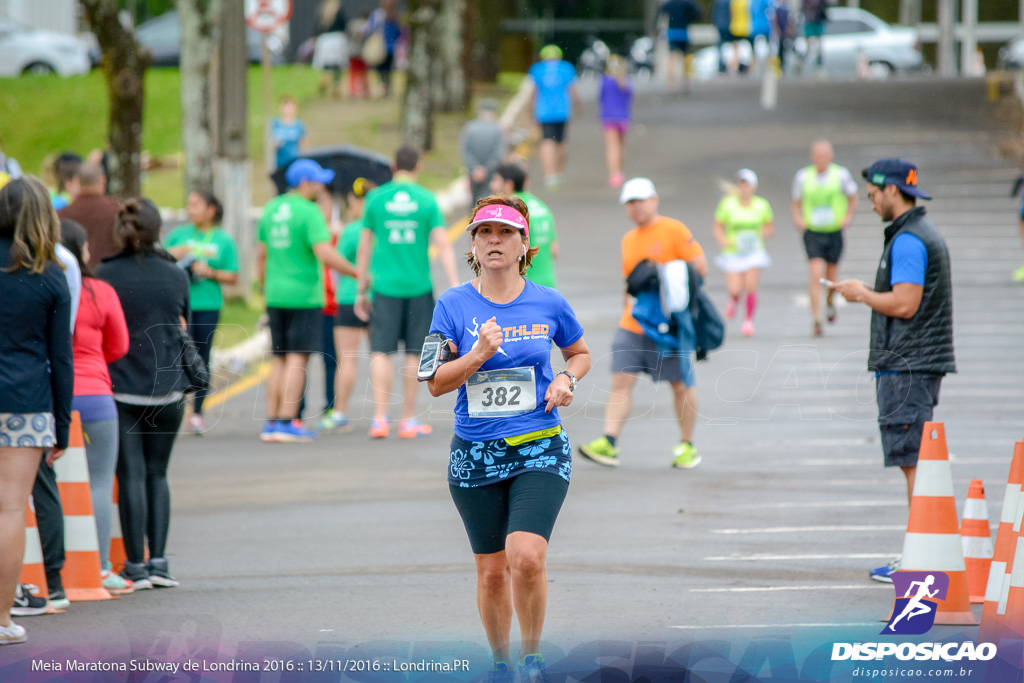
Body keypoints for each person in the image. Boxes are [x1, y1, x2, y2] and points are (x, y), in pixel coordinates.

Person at [427, 194, 591, 682]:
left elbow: (579, 352)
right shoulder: (453, 304)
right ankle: (501, 663)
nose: (493, 241)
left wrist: (566, 380)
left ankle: (533, 656)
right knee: (491, 570)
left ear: (524, 246)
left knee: (526, 555)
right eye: (483, 234)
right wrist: (476, 355)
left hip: (539, 444)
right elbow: (436, 383)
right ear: (473, 246)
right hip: (474, 454)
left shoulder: (548, 301)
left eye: (504, 234)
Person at [829, 159, 955, 583]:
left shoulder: (908, 240)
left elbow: (904, 304)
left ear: (893, 191)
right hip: (915, 360)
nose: (870, 204)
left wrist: (862, 292)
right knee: (914, 459)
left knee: (913, 460)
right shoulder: (916, 234)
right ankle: (923, 554)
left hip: (909, 364)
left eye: (872, 196)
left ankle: (922, 559)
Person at [579, 177, 707, 469]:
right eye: (630, 203)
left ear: (654, 200)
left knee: (679, 384)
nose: (635, 208)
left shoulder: (674, 230)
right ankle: (609, 442)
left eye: (640, 201)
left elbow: (700, 268)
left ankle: (687, 445)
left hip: (668, 326)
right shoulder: (629, 240)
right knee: (621, 380)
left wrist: (664, 275)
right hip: (633, 323)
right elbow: (629, 283)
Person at [97, 198, 190, 590]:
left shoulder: (104, 275)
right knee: (158, 473)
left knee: (129, 474)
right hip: (168, 388)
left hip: (121, 388)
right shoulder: (175, 275)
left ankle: (134, 565)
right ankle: (161, 564)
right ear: (158, 230)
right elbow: (182, 321)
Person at [0, 176, 74, 644]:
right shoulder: (50, 276)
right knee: (10, 509)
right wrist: (61, 427)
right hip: (27, 401)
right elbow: (61, 357)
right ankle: (2, 617)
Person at [355, 146, 458, 438]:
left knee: (380, 352)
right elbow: (443, 243)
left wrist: (361, 285)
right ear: (418, 167)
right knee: (415, 352)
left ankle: (379, 419)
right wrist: (452, 284)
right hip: (418, 286)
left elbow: (364, 246)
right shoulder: (427, 200)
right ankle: (408, 419)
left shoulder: (375, 199)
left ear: (392, 165)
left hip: (384, 287)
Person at [257, 159, 358, 443]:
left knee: (278, 359)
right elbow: (324, 252)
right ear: (304, 183)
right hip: (303, 296)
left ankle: (271, 422)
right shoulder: (309, 212)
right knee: (297, 358)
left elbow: (261, 255)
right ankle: (288, 421)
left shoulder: (271, 209)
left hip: (275, 294)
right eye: (317, 181)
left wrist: (263, 285)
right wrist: (353, 271)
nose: (321, 186)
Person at [59, 219, 133, 595]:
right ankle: (101, 568)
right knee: (100, 482)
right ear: (82, 250)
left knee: (50, 485)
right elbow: (120, 345)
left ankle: (53, 570)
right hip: (96, 394)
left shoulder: (47, 285)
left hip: (55, 393)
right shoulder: (99, 291)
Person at [165, 191, 239, 434]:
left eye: (196, 205)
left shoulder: (223, 240)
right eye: (189, 204)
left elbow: (233, 275)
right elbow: (161, 261)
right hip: (179, 307)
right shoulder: (178, 236)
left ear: (211, 210)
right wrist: (177, 254)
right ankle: (174, 407)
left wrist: (210, 273)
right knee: (176, 356)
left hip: (208, 306)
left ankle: (197, 413)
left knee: (201, 358)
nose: (191, 209)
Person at [323, 178, 377, 431]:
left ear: (358, 201)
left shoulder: (352, 230)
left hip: (348, 296)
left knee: (347, 359)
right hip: (379, 297)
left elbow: (337, 262)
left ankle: (340, 412)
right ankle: (381, 413)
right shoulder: (382, 231)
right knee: (380, 356)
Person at [791, 139, 858, 336]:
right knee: (815, 274)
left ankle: (830, 302)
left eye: (824, 155)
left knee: (831, 275)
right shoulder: (803, 176)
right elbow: (796, 202)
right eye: (817, 155)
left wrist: (847, 216)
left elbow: (853, 196)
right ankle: (816, 319)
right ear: (813, 157)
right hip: (813, 232)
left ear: (830, 156)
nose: (821, 159)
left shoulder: (841, 175)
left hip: (834, 231)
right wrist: (798, 218)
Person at [713, 168, 773, 337]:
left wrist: (763, 233)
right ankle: (733, 300)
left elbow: (769, 226)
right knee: (735, 288)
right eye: (741, 184)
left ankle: (748, 320)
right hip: (733, 251)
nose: (743, 188)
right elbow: (718, 225)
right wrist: (723, 240)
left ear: (753, 187)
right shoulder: (728, 204)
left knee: (750, 285)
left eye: (746, 184)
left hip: (754, 251)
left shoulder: (761, 205)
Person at [490, 162, 559, 289]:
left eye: (496, 180)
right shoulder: (542, 207)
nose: (492, 185)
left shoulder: (510, 211)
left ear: (509, 185)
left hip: (524, 288)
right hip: (548, 285)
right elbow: (554, 250)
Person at [528, 45, 582, 190]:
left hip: (543, 112)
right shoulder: (566, 68)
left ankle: (549, 175)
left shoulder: (537, 69)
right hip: (562, 111)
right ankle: (559, 172)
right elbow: (573, 89)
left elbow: (533, 92)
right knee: (561, 142)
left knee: (546, 142)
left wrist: (530, 110)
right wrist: (578, 105)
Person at [57, 162, 121, 265]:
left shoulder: (61, 215)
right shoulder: (118, 211)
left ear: (77, 182)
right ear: (103, 181)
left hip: (78, 277)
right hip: (110, 276)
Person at [459, 98, 506, 205]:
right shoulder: (498, 129)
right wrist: (486, 169)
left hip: (472, 172)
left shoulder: (469, 127)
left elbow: (465, 149)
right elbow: (498, 153)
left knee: (473, 200)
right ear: (494, 112)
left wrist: (474, 168)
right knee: (488, 200)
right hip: (490, 173)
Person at [599, 55, 633, 189]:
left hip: (609, 117)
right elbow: (630, 98)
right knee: (621, 145)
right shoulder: (626, 81)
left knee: (612, 146)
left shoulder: (605, 80)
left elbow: (600, 98)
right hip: (623, 118)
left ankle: (614, 173)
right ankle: (620, 171)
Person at [657, 0, 701, 91]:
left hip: (672, 32)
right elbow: (697, 14)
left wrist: (656, 28)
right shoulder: (687, 3)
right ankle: (686, 80)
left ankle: (671, 82)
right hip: (683, 32)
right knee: (685, 56)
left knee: (672, 56)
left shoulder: (669, 3)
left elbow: (660, 14)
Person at [365, 0, 401, 98]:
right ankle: (387, 89)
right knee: (387, 71)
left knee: (380, 70)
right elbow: (398, 33)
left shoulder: (377, 15)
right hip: (390, 47)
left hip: (380, 48)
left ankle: (382, 89)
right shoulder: (394, 16)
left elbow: (369, 29)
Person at [271, 96, 308, 170]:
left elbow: (304, 145)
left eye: (290, 107)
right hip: (280, 162)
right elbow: (270, 143)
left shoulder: (299, 125)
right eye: (286, 106)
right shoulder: (275, 124)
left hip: (295, 162)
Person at [801, 0, 828, 73]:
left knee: (819, 47)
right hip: (810, 22)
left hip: (817, 22)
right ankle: (801, 65)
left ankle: (819, 66)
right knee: (808, 47)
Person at [712, 0, 732, 74]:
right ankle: (731, 66)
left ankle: (721, 66)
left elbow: (715, 14)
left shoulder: (717, 2)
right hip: (729, 26)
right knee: (731, 46)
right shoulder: (729, 1)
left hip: (720, 25)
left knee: (721, 46)